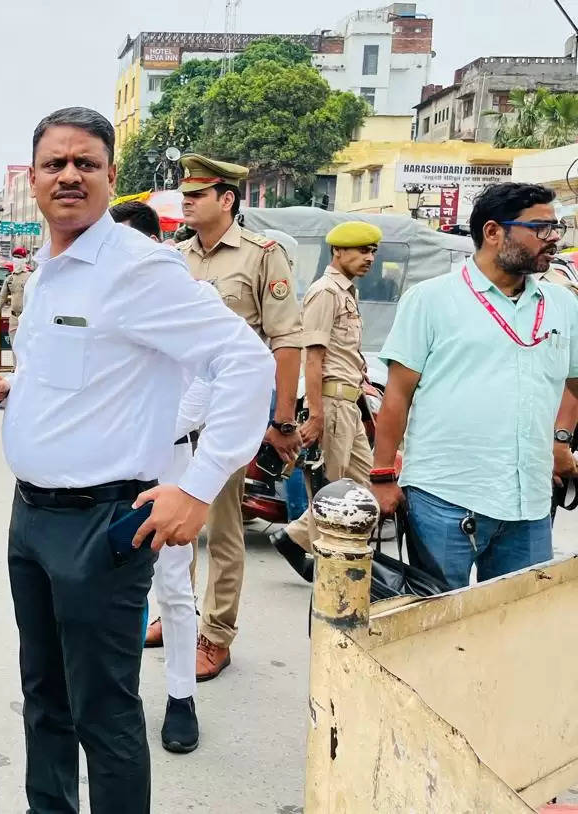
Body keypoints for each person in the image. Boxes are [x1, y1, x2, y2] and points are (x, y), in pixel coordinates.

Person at [0, 108, 272, 814]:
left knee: (103, 712)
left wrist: (196, 488)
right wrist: (11, 392)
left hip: (103, 522)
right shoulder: (46, 273)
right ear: (34, 178)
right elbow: (83, 376)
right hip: (32, 518)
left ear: (109, 177)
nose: (68, 175)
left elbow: (246, 363)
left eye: (86, 163)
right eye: (54, 163)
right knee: (44, 698)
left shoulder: (138, 269)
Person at [371, 183, 578, 590]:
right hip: (443, 497)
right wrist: (382, 476)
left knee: (513, 628)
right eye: (541, 227)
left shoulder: (563, 305)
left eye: (558, 228)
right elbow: (397, 395)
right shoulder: (431, 300)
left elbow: (573, 382)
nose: (553, 238)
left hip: (530, 502)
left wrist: (560, 441)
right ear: (493, 232)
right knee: (436, 622)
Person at [176, 153, 303, 680]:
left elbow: (287, 339)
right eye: (184, 194)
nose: (187, 202)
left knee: (222, 525)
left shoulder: (260, 256)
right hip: (180, 413)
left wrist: (282, 419)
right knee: (174, 520)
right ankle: (180, 616)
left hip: (231, 412)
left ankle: (215, 633)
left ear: (227, 200)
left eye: (197, 195)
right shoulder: (176, 256)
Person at [110, 198, 202, 752]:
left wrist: (154, 428)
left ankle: (181, 697)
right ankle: (115, 698)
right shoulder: (102, 301)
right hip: (107, 467)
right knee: (112, 585)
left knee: (172, 583)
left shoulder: (191, 300)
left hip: (169, 462)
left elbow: (212, 383)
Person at [270, 222, 381, 581]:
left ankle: (293, 537)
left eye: (372, 251)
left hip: (351, 403)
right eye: (362, 250)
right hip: (331, 403)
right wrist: (316, 413)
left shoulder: (348, 293)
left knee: (364, 488)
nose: (369, 258)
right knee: (333, 491)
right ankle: (327, 564)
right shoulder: (325, 292)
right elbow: (312, 358)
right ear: (337, 252)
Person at [0, 259, 32, 344]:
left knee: (27, 351)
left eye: (19, 258)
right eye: (16, 258)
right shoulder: (10, 279)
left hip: (28, 318)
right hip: (14, 319)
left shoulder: (31, 277)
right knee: (15, 349)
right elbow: (2, 298)